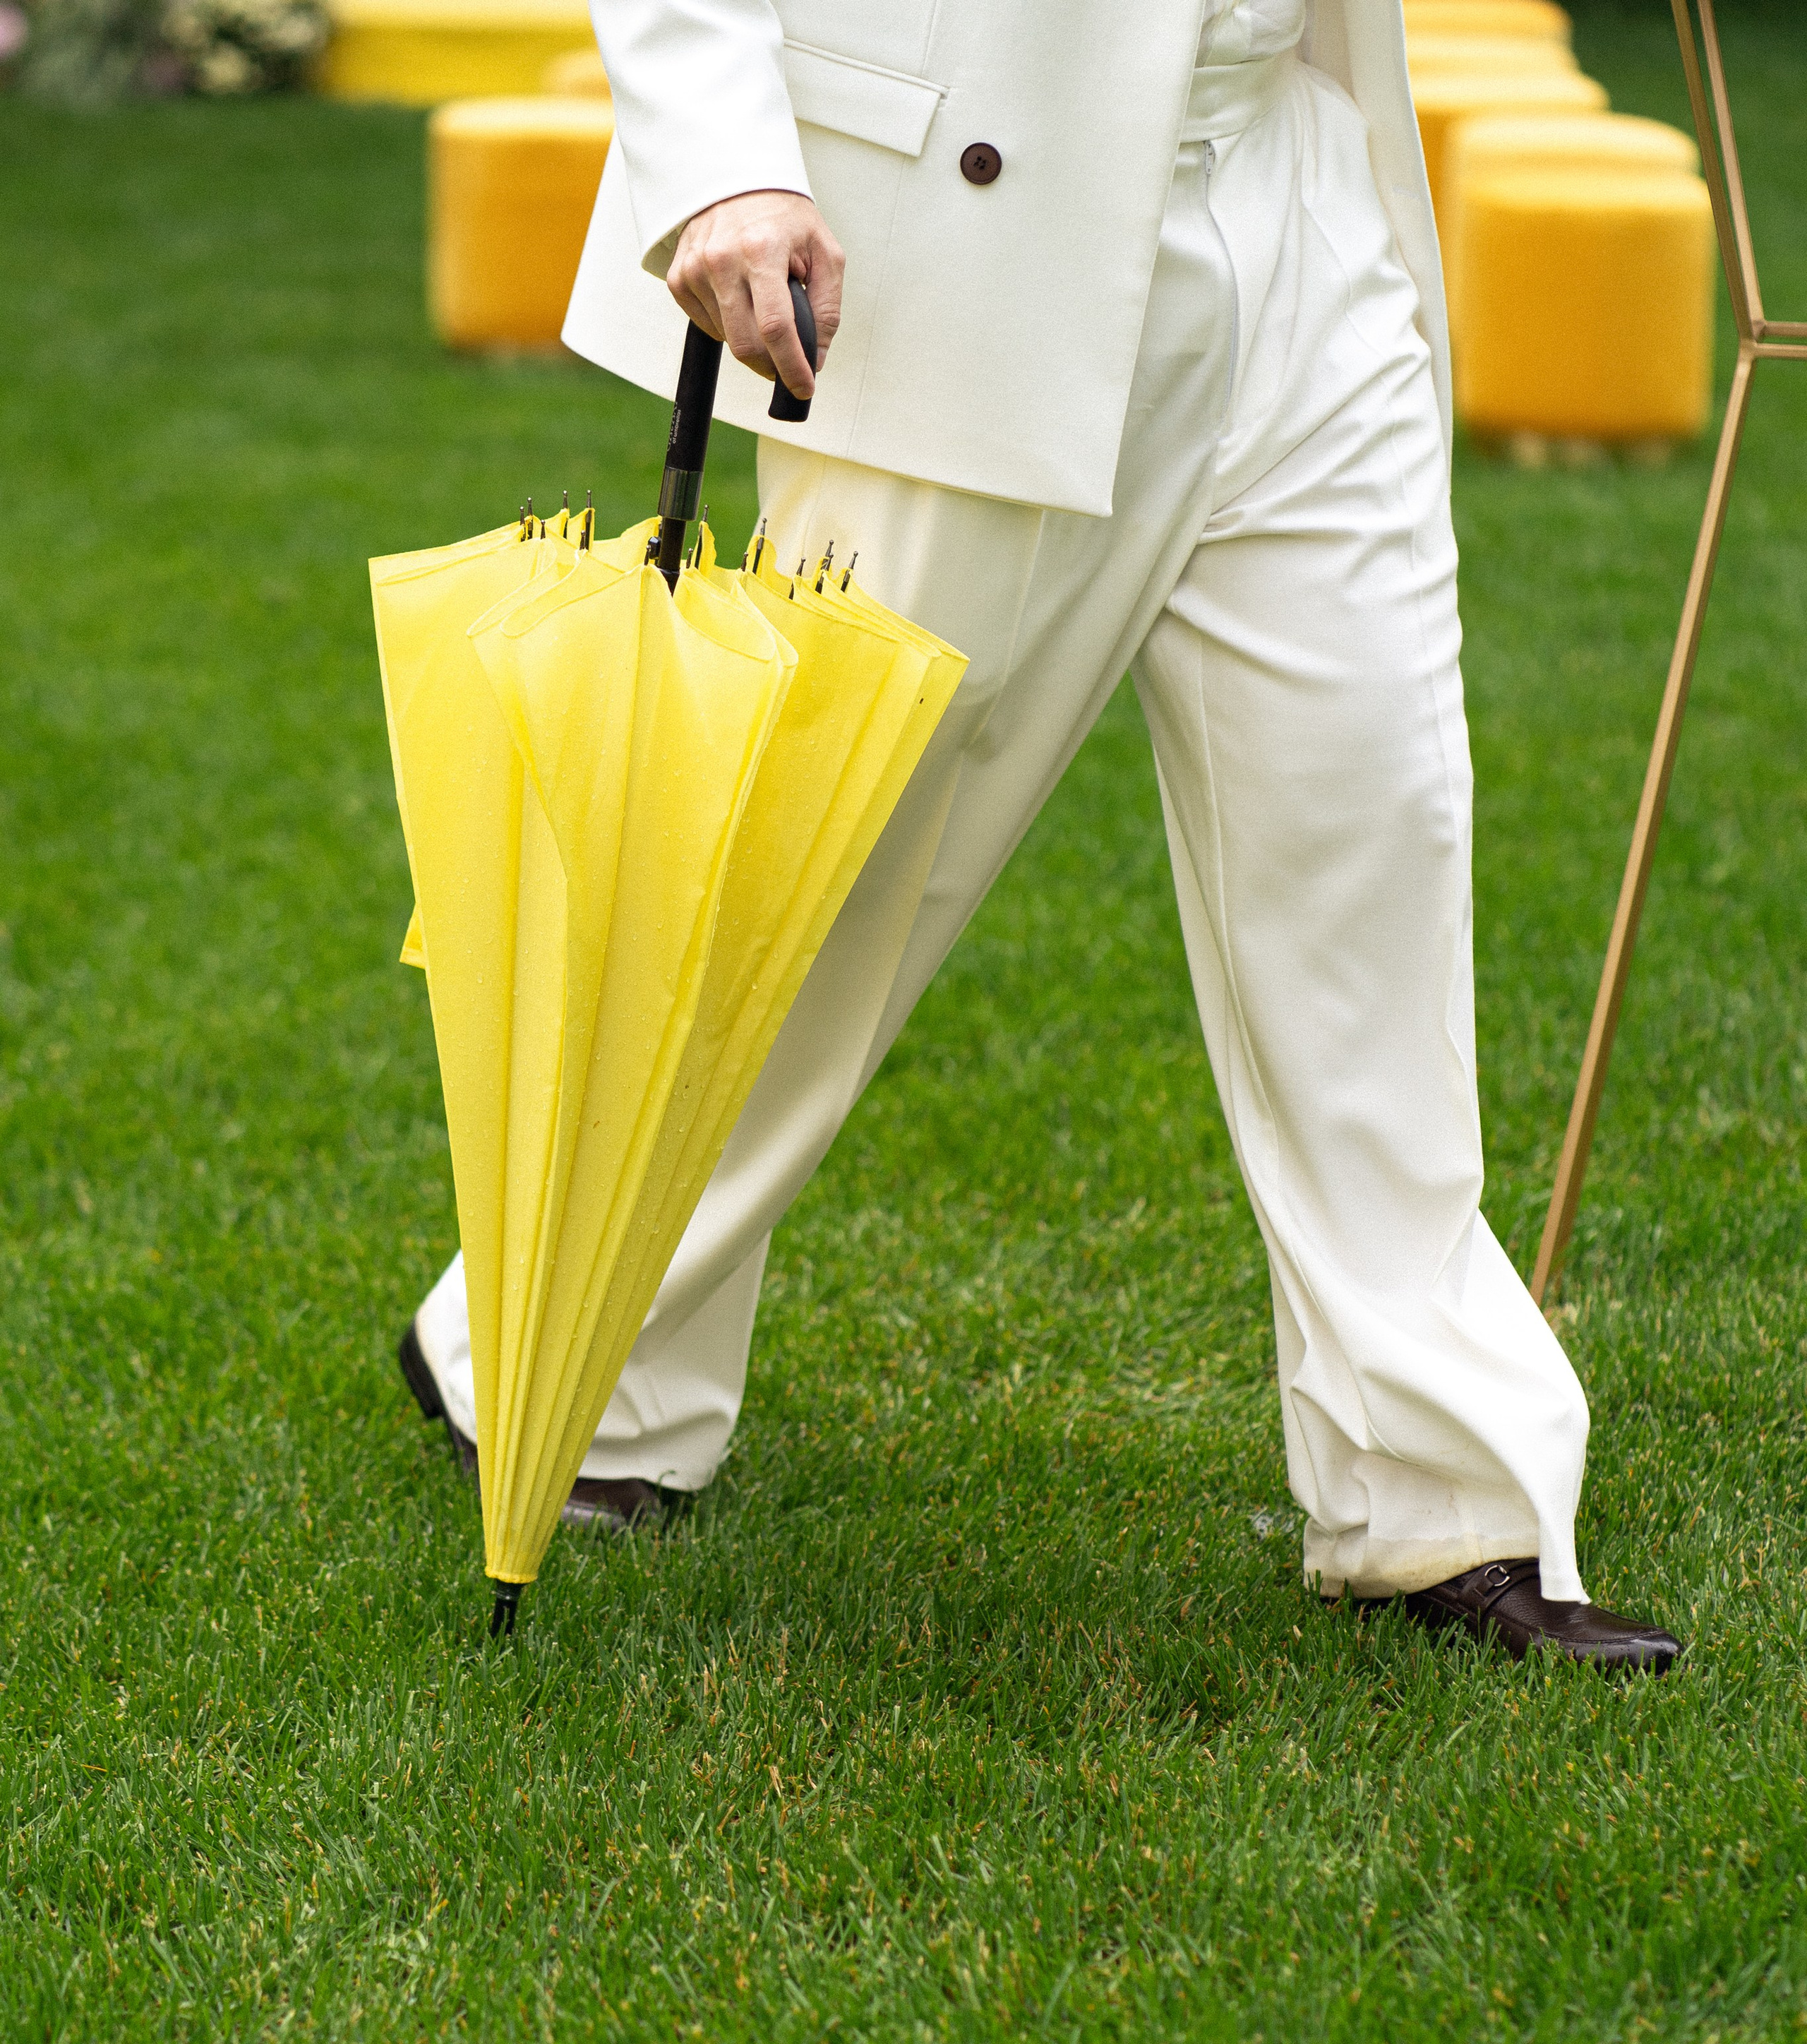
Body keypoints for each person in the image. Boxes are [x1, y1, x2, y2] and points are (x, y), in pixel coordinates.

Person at [397, 0, 1680, 1671]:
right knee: (832, 871)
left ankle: (1433, 1495)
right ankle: (550, 1343)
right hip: (948, 245)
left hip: (1298, 188)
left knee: (1369, 835)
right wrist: (713, 164)